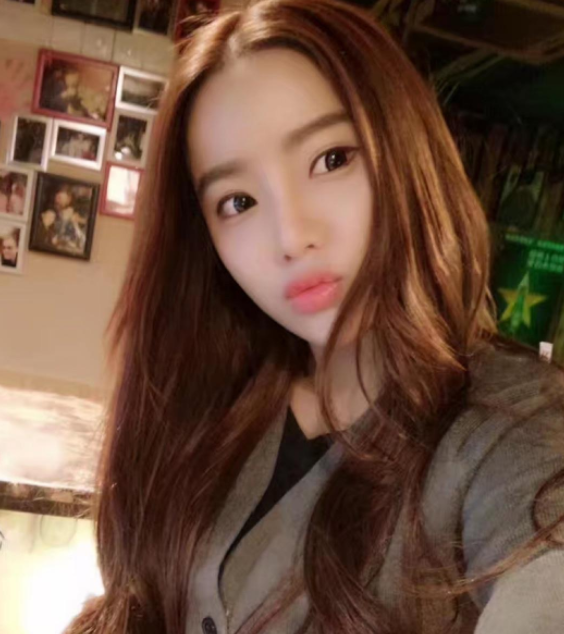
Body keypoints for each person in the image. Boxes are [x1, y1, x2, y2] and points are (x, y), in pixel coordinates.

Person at [65, 1, 564, 633]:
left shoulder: (510, 426)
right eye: (238, 201)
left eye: (331, 159)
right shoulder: (212, 405)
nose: (292, 235)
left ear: (405, 151)